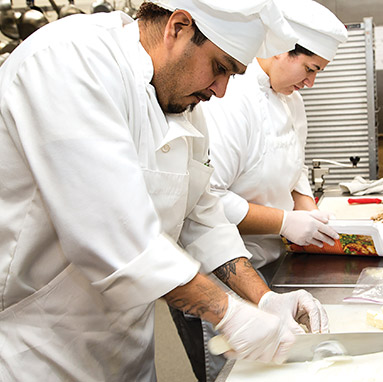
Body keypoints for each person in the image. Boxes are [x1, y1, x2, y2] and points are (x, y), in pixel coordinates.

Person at [0, 0, 327, 380]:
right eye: (220, 68)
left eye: (232, 76)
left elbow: (202, 216)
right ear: (178, 27)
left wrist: (264, 298)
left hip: (127, 345)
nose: (220, 91)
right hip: (38, 349)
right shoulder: (68, 61)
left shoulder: (184, 104)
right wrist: (229, 313)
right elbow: (114, 238)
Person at [169, 1, 348, 380]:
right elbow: (207, 201)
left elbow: (294, 166)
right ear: (283, 49)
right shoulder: (227, 98)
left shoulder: (293, 102)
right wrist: (284, 222)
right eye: (310, 69)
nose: (310, 82)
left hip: (265, 263)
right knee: (238, 373)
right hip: (214, 278)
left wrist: (305, 208)